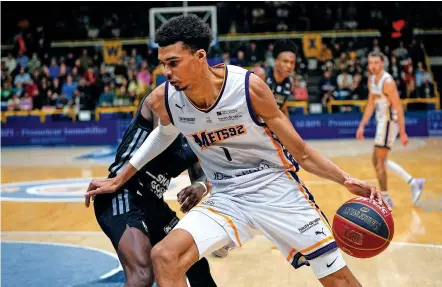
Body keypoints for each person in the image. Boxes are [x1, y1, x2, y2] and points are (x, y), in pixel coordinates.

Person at [85, 14, 388, 287]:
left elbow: (303, 153)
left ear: (200, 56)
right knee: (165, 256)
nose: (166, 71)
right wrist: (119, 179)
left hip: (275, 190)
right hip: (226, 196)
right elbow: (163, 134)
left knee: (339, 281)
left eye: (173, 62)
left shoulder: (248, 88)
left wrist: (345, 180)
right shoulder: (169, 98)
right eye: (163, 63)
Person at [84, 95, 217, 287]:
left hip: (153, 202)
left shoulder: (199, 134)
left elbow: (201, 174)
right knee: (142, 275)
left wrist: (200, 186)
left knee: (195, 264)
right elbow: (160, 122)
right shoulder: (165, 102)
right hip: (123, 194)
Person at [356, 51, 424, 207]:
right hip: (381, 121)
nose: (372, 65)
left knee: (379, 161)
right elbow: (371, 104)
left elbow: (399, 107)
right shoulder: (372, 79)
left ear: (382, 64)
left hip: (389, 122)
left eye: (375, 62)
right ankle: (413, 182)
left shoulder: (388, 82)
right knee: (377, 160)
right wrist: (362, 125)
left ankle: (386, 198)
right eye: (370, 62)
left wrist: (403, 131)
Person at [252, 39, 297, 117]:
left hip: (265, 125)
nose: (289, 66)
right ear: (276, 61)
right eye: (285, 61)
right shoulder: (260, 74)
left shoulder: (289, 83)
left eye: (292, 62)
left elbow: (282, 109)